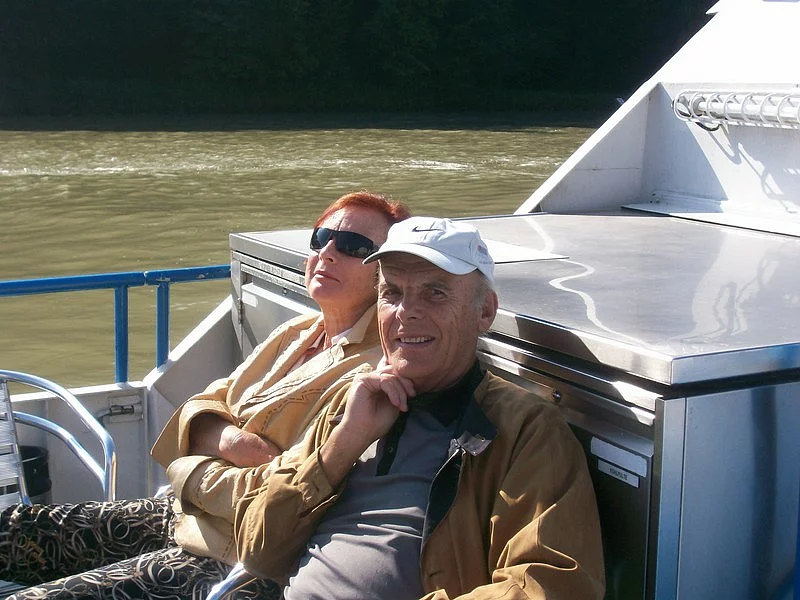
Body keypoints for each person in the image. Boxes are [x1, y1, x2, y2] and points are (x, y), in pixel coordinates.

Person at [0, 191, 411, 599]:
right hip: (184, 512)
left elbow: (283, 489)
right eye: (321, 239)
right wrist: (233, 442)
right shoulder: (298, 333)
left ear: (385, 274)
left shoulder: (371, 374)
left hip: (230, 554)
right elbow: (205, 403)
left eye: (354, 246)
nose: (328, 254)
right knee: (12, 529)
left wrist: (187, 468)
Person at [235, 216, 606, 599]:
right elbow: (258, 550)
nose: (405, 311)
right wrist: (344, 442)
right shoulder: (355, 402)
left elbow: (548, 585)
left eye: (435, 293)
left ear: (484, 311)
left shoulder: (524, 429)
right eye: (391, 292)